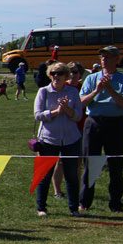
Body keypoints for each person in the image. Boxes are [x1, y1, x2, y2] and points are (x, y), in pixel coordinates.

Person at [78, 46, 123, 214]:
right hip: (93, 123)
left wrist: (109, 88)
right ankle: (84, 202)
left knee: (115, 165)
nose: (104, 60)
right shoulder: (91, 78)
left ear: (117, 59)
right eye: (102, 57)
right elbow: (82, 103)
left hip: (115, 124)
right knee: (91, 163)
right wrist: (97, 90)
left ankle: (116, 203)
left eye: (108, 57)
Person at [33, 62, 83, 217]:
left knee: (72, 176)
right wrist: (56, 111)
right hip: (48, 139)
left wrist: (67, 110)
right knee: (44, 175)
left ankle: (74, 208)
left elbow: (78, 116)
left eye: (60, 73)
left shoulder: (73, 92)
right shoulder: (43, 92)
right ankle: (41, 208)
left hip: (71, 139)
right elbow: (38, 115)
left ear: (66, 76)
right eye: (53, 73)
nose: (56, 76)